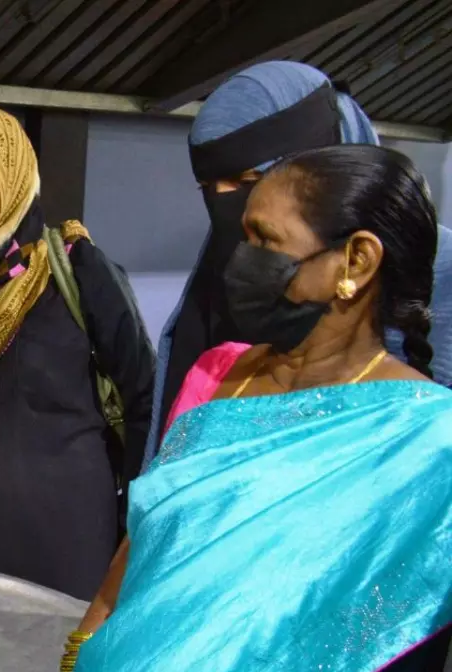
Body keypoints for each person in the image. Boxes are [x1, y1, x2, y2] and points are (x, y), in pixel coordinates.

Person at [44, 144, 452, 672]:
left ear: (354, 263)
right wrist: (89, 649)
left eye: (266, 242)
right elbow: (155, 539)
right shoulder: (228, 374)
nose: (240, 259)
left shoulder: (429, 448)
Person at [148, 60, 452, 462]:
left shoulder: (439, 268)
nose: (222, 202)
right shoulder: (223, 264)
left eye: (246, 181)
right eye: (208, 186)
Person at [0, 104, 154, 602]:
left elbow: (144, 398)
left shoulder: (74, 266)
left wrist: (136, 532)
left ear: (17, 178)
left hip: (67, 541)